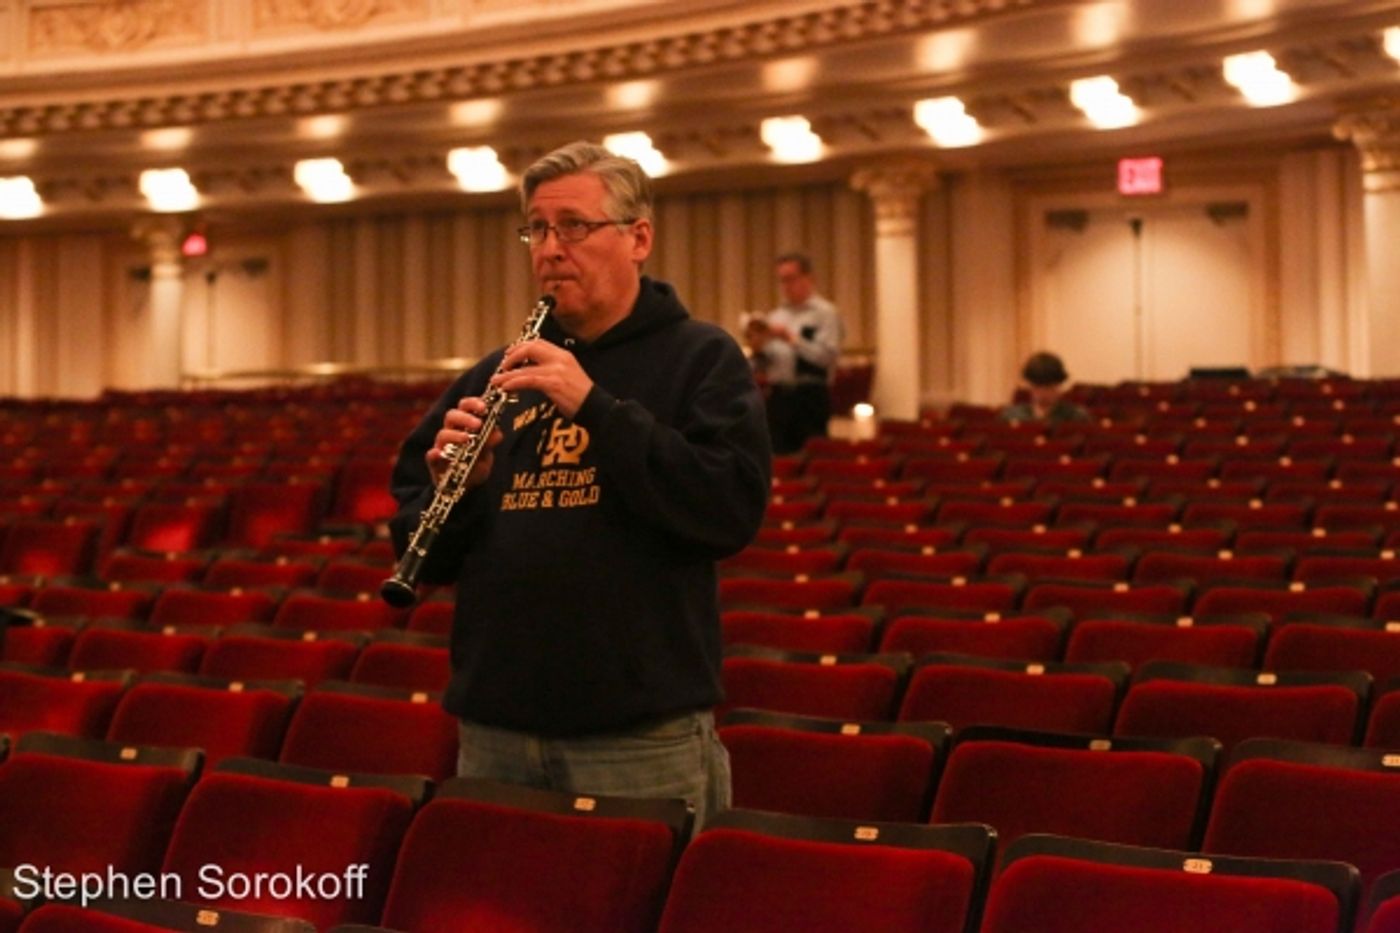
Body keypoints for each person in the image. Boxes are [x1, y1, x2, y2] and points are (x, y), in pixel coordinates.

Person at [388, 141, 771, 832]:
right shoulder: (495, 375)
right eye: (537, 228)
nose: (550, 248)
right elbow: (425, 550)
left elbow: (728, 508)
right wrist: (462, 488)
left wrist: (594, 405)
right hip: (498, 727)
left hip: (636, 736)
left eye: (573, 226)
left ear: (638, 237)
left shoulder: (702, 358)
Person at [764, 253, 843, 454]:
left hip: (810, 396)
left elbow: (826, 357)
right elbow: (772, 359)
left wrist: (792, 339)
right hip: (780, 396)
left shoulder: (825, 313)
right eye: (781, 280)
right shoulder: (776, 315)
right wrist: (760, 346)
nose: (786, 286)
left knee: (812, 456)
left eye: (791, 278)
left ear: (809, 279)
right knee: (778, 455)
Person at [1000, 351, 1091, 426]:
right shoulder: (1011, 416)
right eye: (1038, 386)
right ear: (1030, 386)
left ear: (1059, 385)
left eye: (1048, 387)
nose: (1043, 393)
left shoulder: (1077, 417)